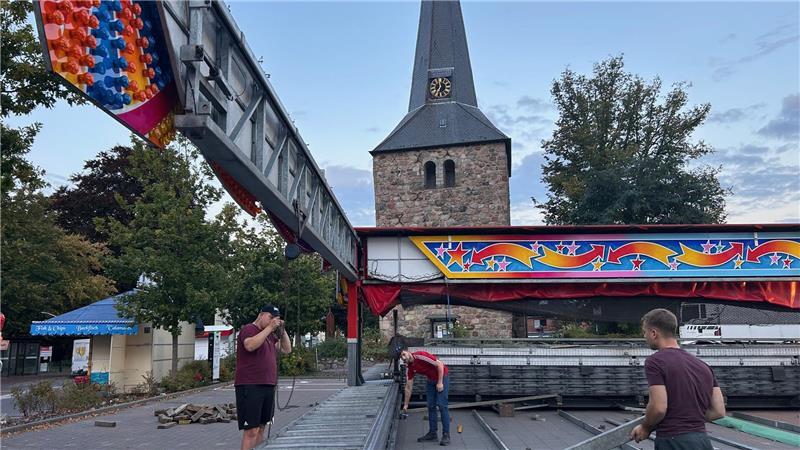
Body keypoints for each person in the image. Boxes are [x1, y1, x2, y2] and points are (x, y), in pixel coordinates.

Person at [630, 308, 726, 449]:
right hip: (702, 441)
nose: (644, 336)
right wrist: (690, 423)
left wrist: (646, 427)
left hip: (673, 441)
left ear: (653, 333)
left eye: (645, 332)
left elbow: (658, 407)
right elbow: (718, 411)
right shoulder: (703, 366)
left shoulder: (655, 361)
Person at [235, 305, 292, 450]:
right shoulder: (249, 329)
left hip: (268, 384)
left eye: (276, 319)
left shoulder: (270, 336)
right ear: (261, 315)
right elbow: (250, 345)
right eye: (270, 317)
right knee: (251, 429)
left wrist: (282, 331)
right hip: (250, 385)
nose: (273, 321)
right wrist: (269, 328)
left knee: (261, 427)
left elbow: (286, 349)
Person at [400, 347, 451, 446]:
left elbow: (440, 364)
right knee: (431, 406)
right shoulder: (410, 368)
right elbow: (408, 387)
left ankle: (446, 435)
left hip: (442, 376)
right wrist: (406, 405)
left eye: (404, 354)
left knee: (442, 406)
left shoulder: (420, 356)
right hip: (431, 380)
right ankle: (433, 434)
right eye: (401, 357)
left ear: (408, 352)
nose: (403, 358)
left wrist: (440, 383)